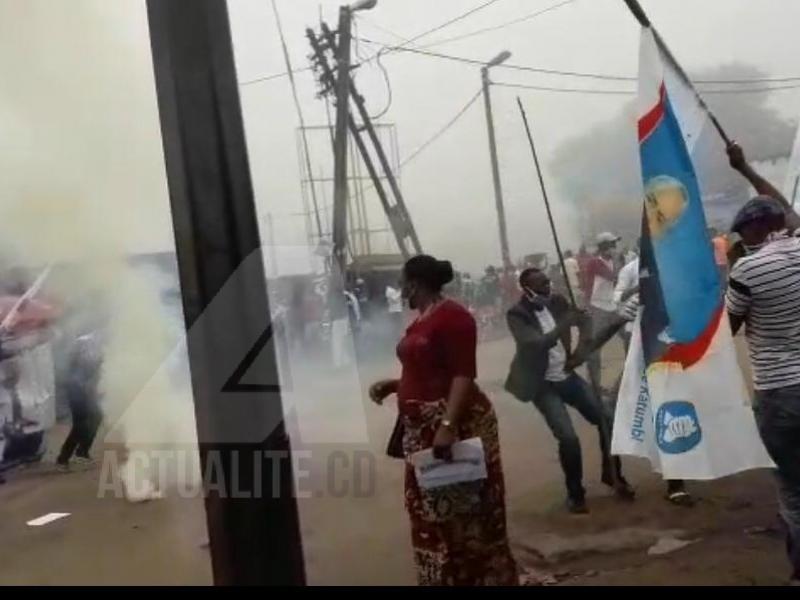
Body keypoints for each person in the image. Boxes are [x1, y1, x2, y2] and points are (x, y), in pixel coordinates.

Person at [369, 255, 519, 586]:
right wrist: (396, 386)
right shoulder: (422, 319)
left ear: (413, 283)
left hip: (453, 424)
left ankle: (475, 578)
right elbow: (429, 370)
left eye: (401, 280)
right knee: (430, 509)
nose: (399, 287)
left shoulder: (455, 317)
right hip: (422, 429)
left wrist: (447, 427)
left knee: (464, 512)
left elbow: (463, 374)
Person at [725, 145, 800, 585]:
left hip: (780, 395)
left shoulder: (749, 271)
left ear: (754, 229)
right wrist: (745, 167)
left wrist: (736, 269)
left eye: (743, 233)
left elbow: (728, 328)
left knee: (793, 489)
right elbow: (785, 209)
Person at [505, 267, 634, 514]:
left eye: (547, 283)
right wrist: (566, 322)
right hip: (541, 385)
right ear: (527, 288)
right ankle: (575, 493)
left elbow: (584, 320)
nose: (547, 288)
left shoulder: (557, 301)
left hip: (565, 374)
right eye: (541, 285)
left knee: (607, 419)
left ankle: (612, 473)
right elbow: (535, 344)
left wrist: (581, 348)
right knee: (568, 438)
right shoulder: (517, 314)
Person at [56, 334, 102, 470]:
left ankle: (82, 451)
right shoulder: (84, 343)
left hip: (86, 391)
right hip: (76, 391)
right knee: (80, 425)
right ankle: (63, 459)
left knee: (97, 416)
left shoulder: (95, 343)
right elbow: (76, 371)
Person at [585, 232, 622, 400]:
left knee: (629, 336)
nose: (615, 248)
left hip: (611, 306)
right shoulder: (595, 262)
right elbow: (614, 277)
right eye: (612, 245)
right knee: (594, 350)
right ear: (604, 247)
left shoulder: (610, 261)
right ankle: (594, 388)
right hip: (597, 307)